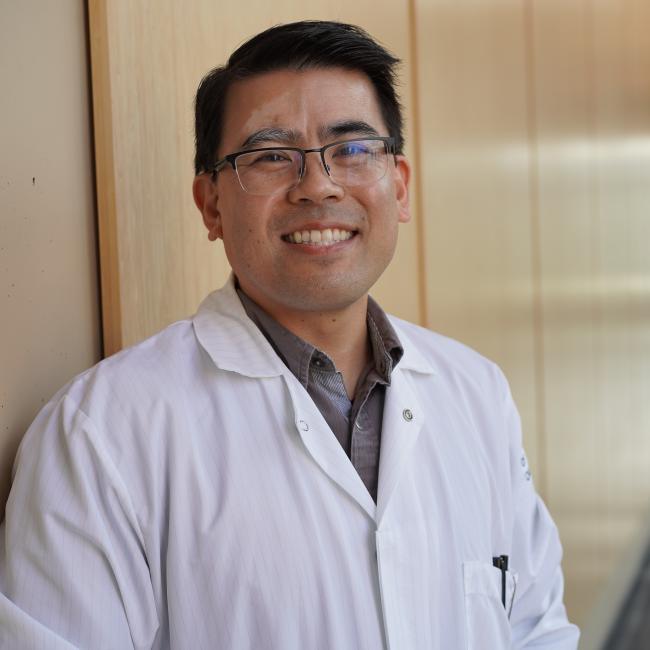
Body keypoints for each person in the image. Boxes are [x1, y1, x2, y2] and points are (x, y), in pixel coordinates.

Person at [0, 20, 579, 650]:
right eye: (271, 155)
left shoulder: (477, 392)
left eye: (353, 149)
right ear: (211, 204)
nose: (320, 185)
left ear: (400, 186)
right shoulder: (101, 435)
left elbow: (535, 627)